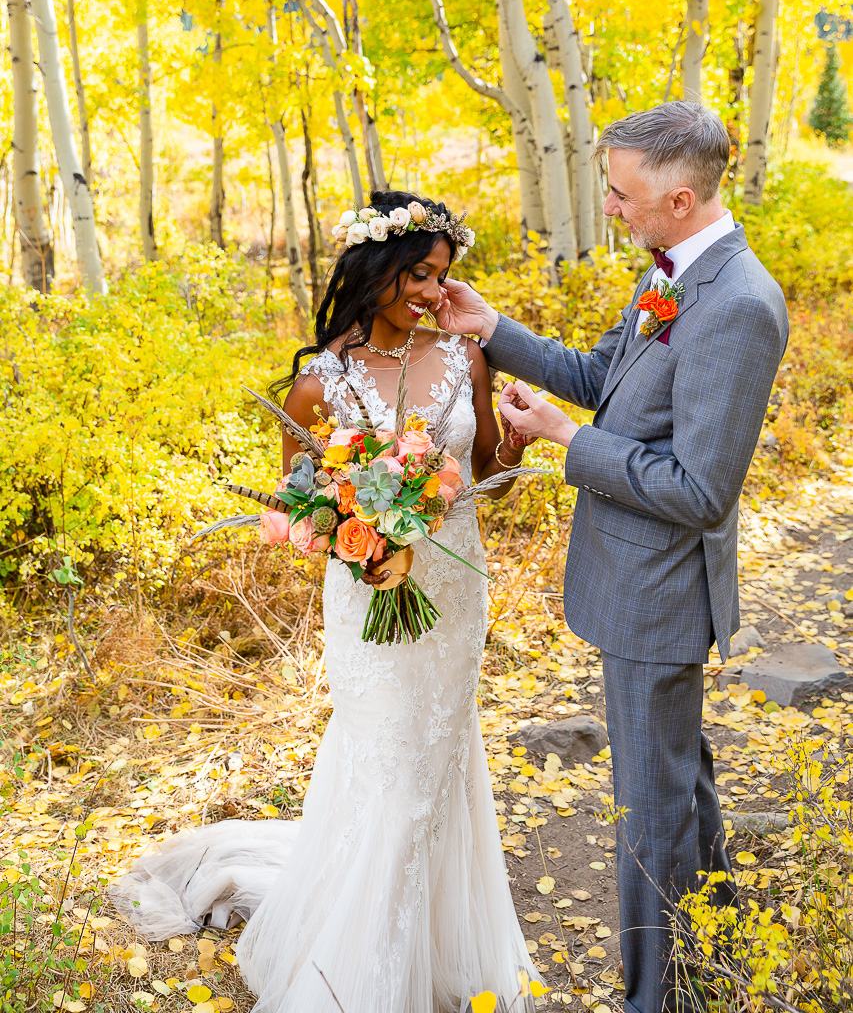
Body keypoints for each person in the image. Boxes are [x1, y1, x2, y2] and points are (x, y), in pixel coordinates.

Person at [111, 192, 541, 1013]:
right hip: (366, 599)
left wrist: (511, 449)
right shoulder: (317, 382)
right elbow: (294, 511)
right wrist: (362, 529)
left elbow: (488, 473)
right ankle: (361, 973)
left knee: (439, 756)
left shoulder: (465, 356)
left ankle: (434, 947)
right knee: (390, 766)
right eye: (417, 272)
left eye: (441, 275)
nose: (429, 290)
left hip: (453, 591)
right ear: (372, 267)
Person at [434, 101, 789, 1013]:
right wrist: (490, 327)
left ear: (678, 197)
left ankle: (655, 999)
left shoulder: (738, 306)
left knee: (650, 806)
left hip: (660, 595)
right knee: (678, 781)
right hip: (629, 582)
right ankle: (710, 961)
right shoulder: (671, 275)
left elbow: (699, 491)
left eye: (621, 193)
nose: (610, 205)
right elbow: (605, 380)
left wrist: (564, 441)